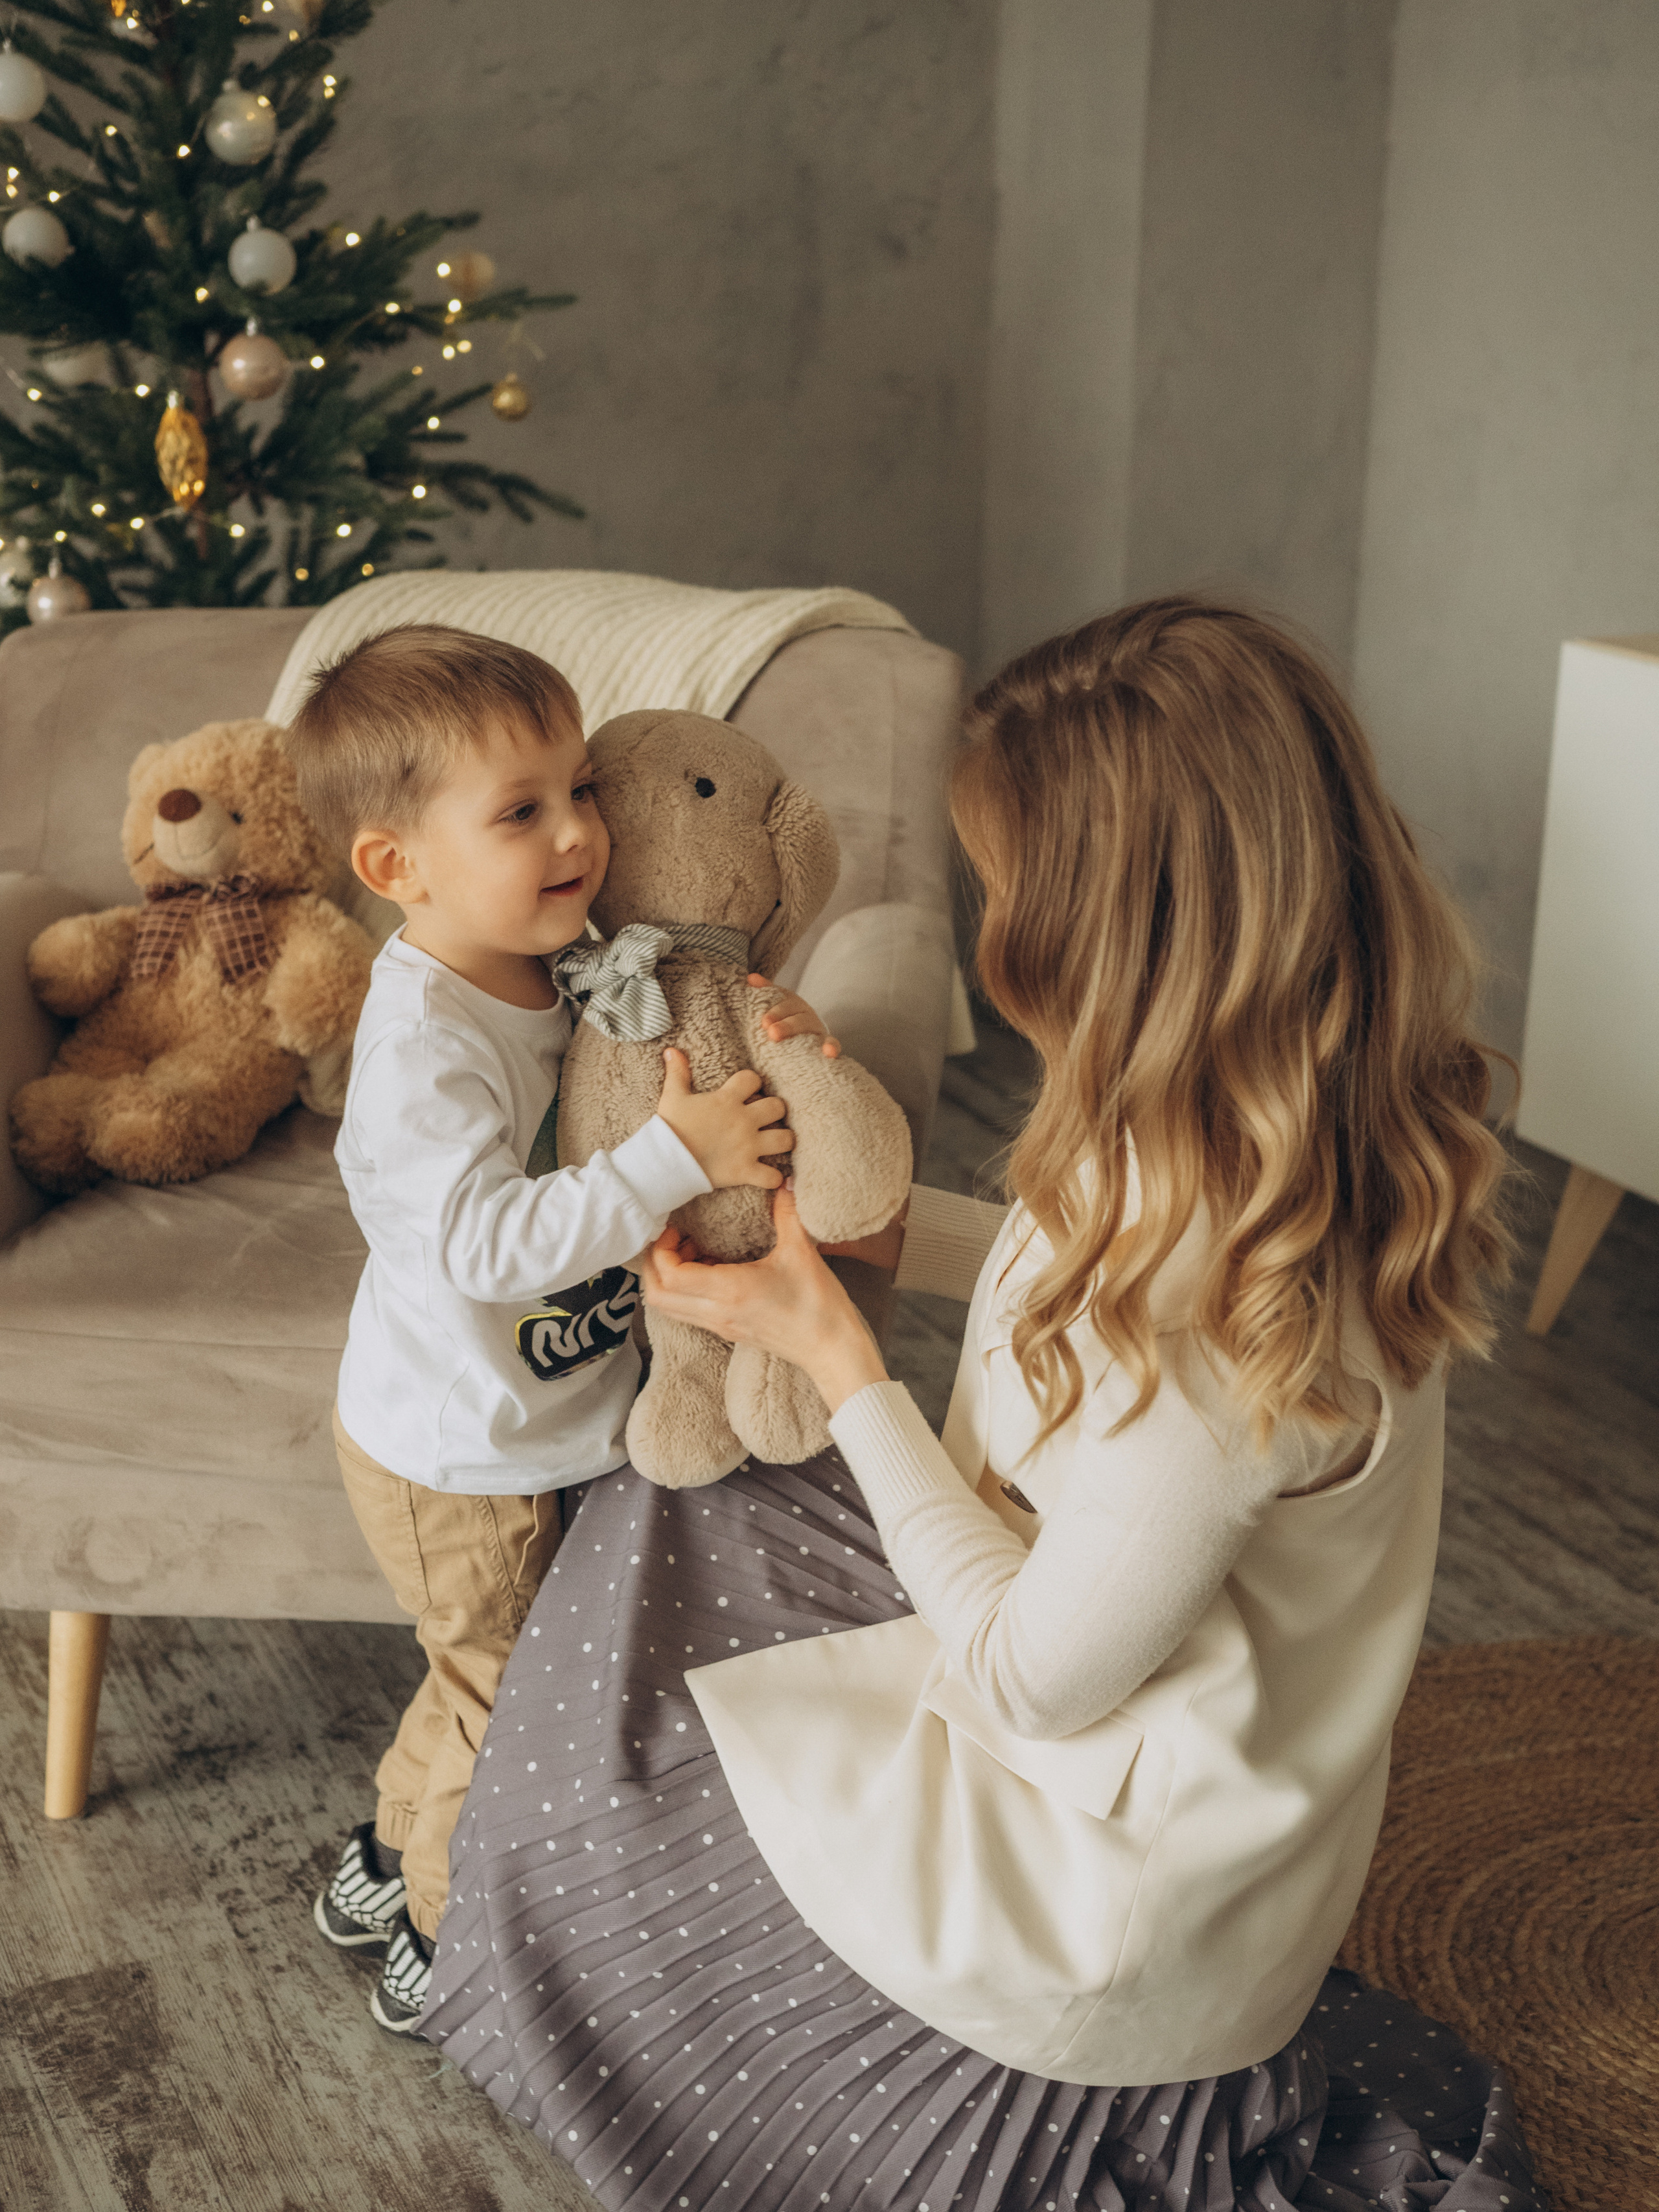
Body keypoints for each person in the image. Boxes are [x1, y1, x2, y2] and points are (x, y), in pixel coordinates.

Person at [421, 600, 1542, 2209]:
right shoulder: (1245, 1110)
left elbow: (1027, 1684)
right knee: (688, 1502)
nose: (988, 921)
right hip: (1122, 1673)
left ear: (1113, 923)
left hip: (1106, 1871)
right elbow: (1061, 1260)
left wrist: (835, 1354)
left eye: (1006, 888)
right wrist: (871, 1239)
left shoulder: (1236, 1322)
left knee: (644, 1699)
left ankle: (551, 1940)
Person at [285, 624, 833, 2032]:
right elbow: (478, 1246)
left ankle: (378, 1851)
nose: (580, 832)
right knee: (505, 1699)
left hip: (530, 1423)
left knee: (472, 1678)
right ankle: (438, 1930)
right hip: (456, 1456)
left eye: (579, 789)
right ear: (397, 868)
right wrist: (668, 1155)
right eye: (521, 812)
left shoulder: (560, 953)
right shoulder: (422, 1047)